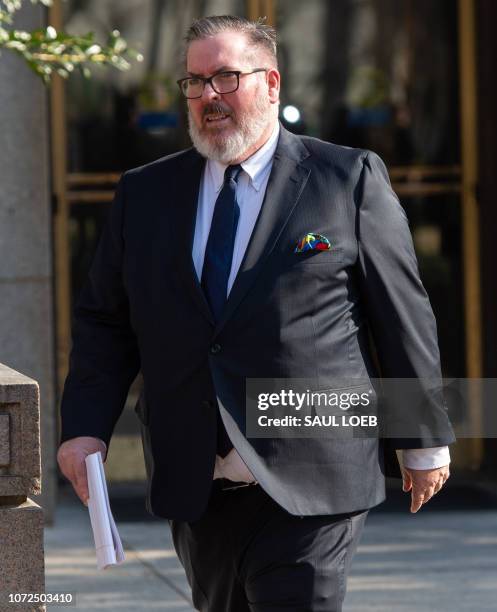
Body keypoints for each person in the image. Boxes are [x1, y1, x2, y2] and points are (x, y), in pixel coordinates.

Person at [57, 15, 455, 612]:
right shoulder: (145, 194)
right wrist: (84, 427)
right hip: (196, 476)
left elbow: (402, 315)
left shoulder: (345, 178)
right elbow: (106, 323)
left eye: (225, 77)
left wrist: (423, 441)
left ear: (271, 83)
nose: (207, 97)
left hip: (314, 471)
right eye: (194, 82)